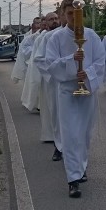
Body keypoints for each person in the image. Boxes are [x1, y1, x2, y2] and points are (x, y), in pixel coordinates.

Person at [45, 0, 106, 198]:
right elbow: (51, 65)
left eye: (76, 13)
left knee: (85, 133)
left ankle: (81, 166)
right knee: (70, 134)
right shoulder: (56, 38)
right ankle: (73, 178)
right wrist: (71, 63)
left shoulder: (92, 36)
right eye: (69, 13)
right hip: (67, 91)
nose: (73, 17)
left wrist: (87, 73)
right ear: (63, 15)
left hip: (87, 89)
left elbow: (100, 61)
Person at [35, 11, 64, 160]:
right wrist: (54, 74)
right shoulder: (47, 37)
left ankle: (74, 148)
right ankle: (58, 147)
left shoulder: (71, 34)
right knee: (57, 114)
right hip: (54, 82)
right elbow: (39, 59)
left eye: (56, 18)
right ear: (46, 22)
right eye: (51, 19)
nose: (54, 21)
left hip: (71, 82)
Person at [11, 17, 43, 83]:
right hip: (28, 66)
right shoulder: (27, 37)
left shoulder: (43, 35)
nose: (39, 25)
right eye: (37, 23)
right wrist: (36, 49)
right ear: (33, 25)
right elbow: (24, 52)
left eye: (40, 23)